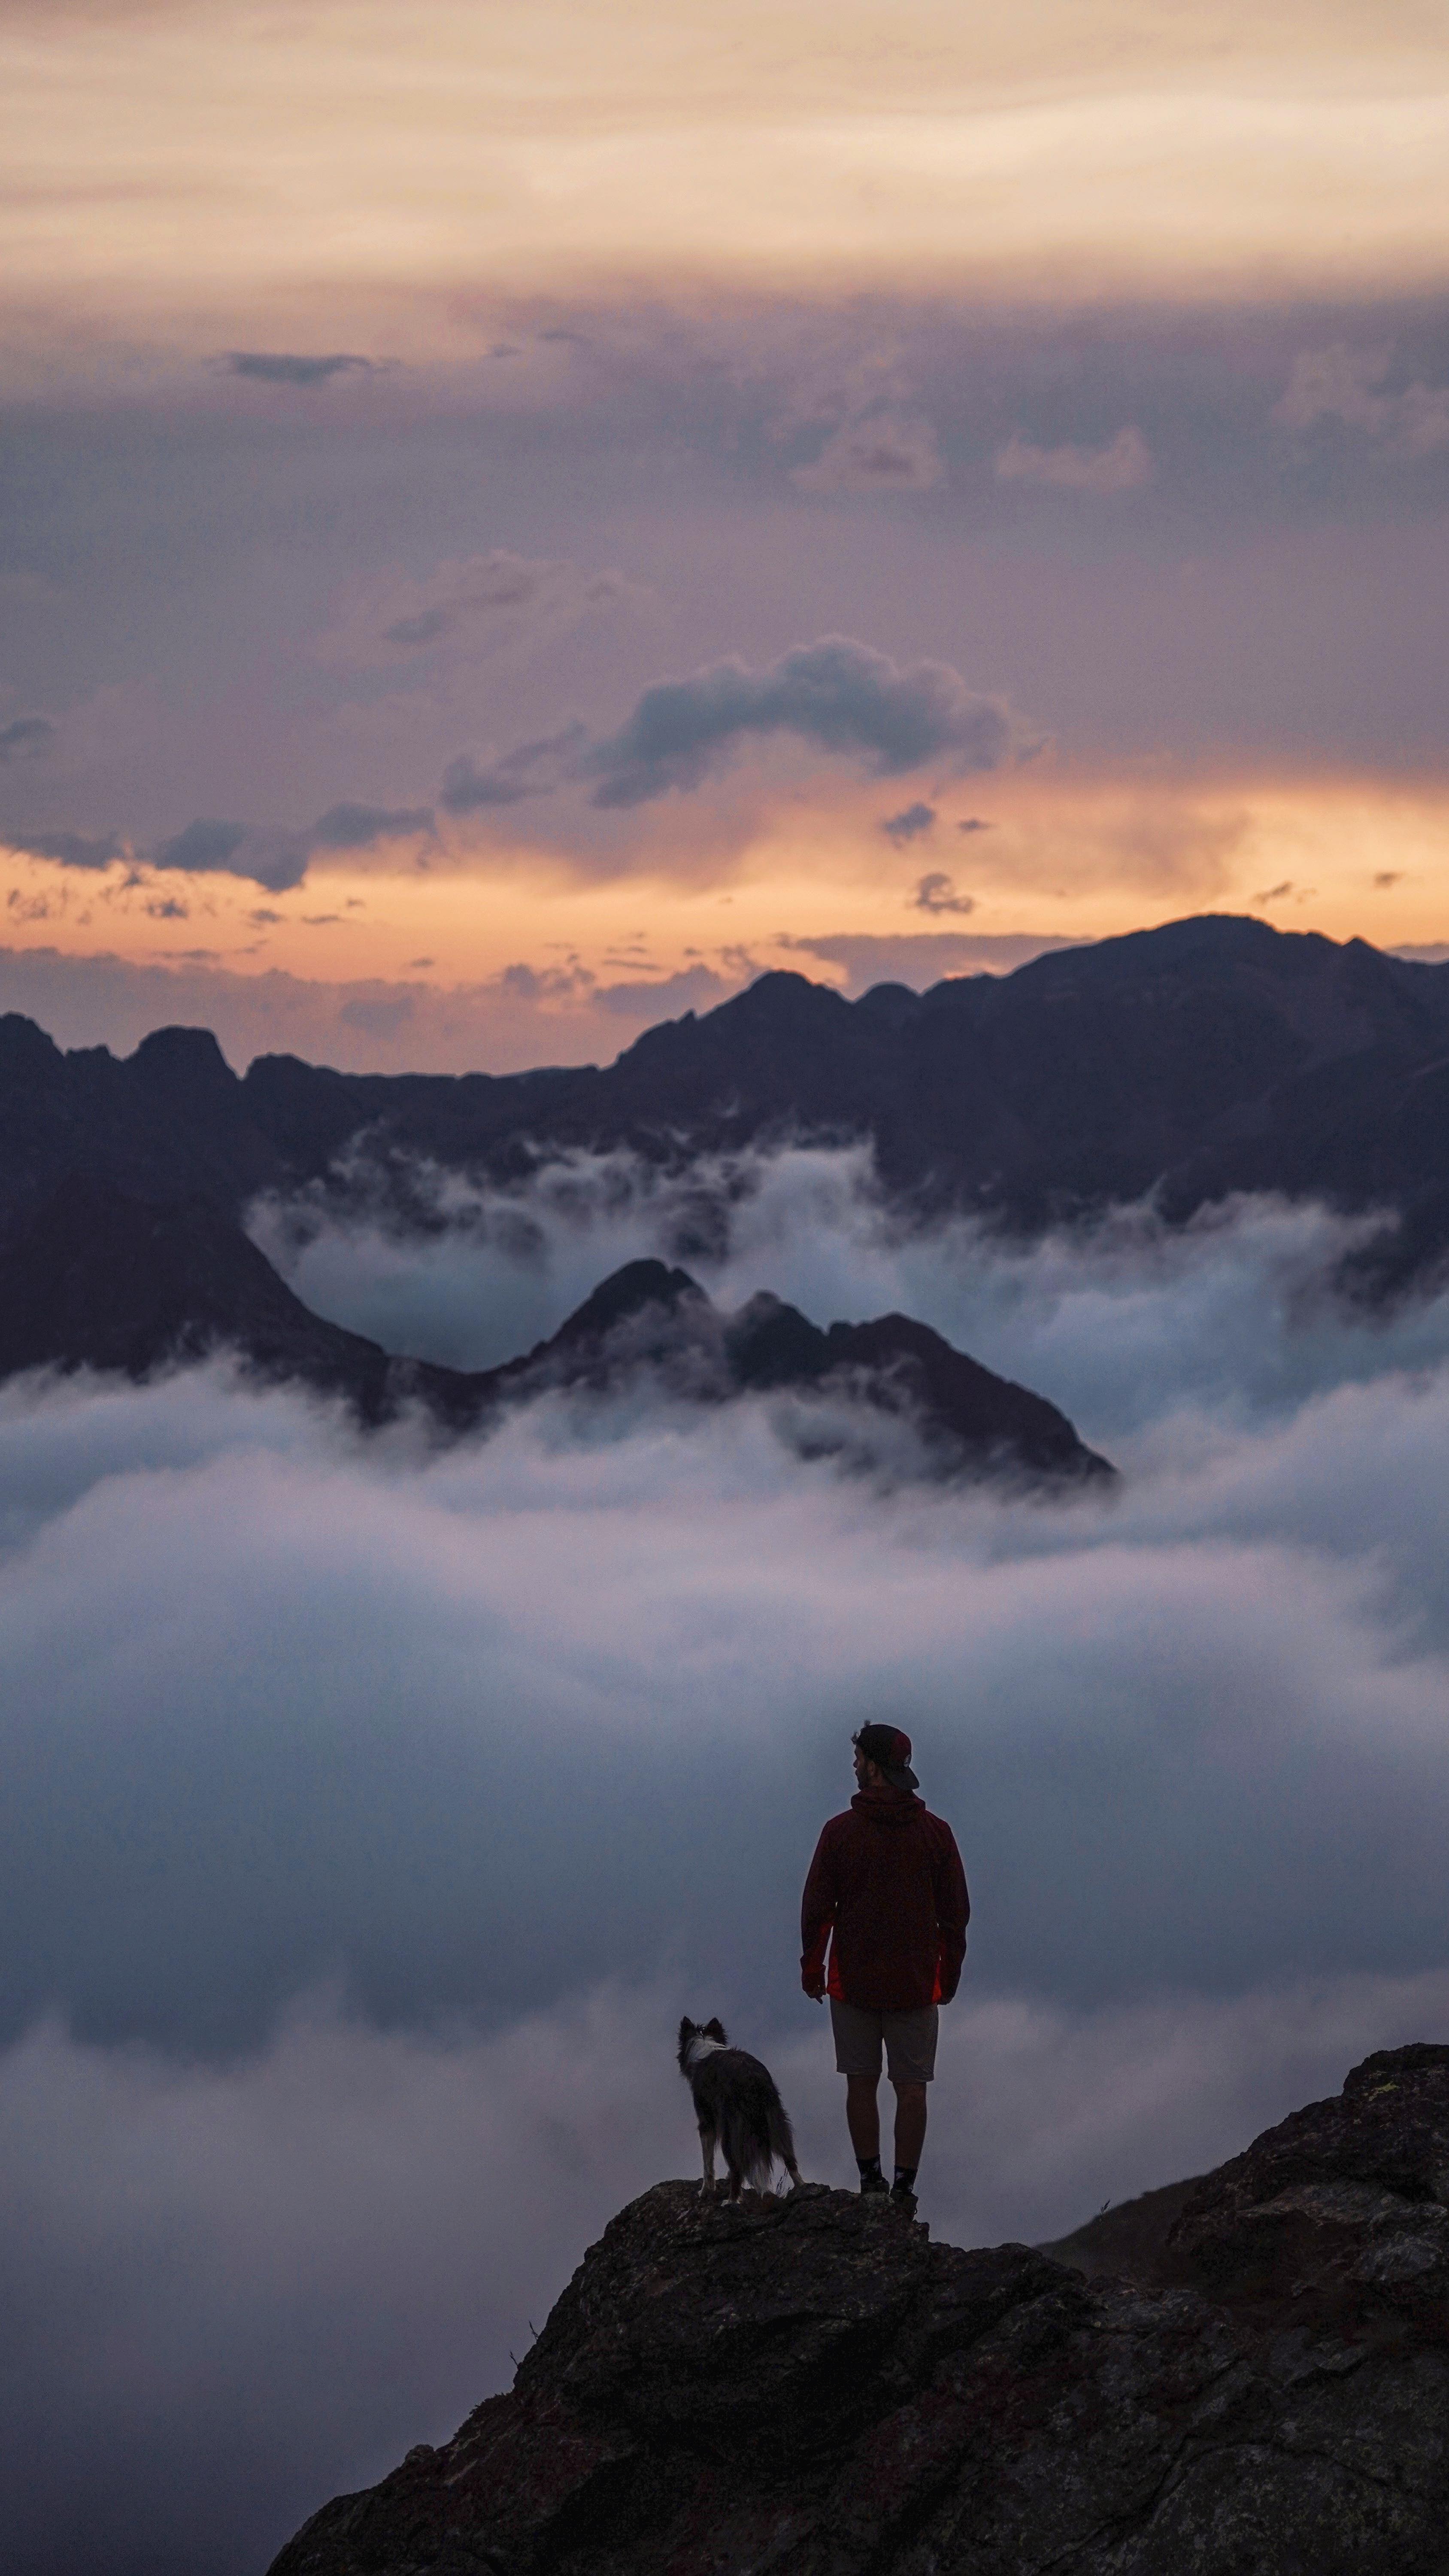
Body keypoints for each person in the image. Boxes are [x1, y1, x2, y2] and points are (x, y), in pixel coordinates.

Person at [800, 1723, 969, 2218]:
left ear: (873, 1767)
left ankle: (870, 2183)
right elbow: (955, 1914)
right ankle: (903, 2192)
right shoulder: (936, 1834)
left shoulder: (839, 1832)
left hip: (852, 1979)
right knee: (912, 2088)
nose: (854, 1766)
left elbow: (817, 1908)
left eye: (858, 1759)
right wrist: (949, 1976)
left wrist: (812, 1968)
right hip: (916, 1983)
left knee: (860, 2081)